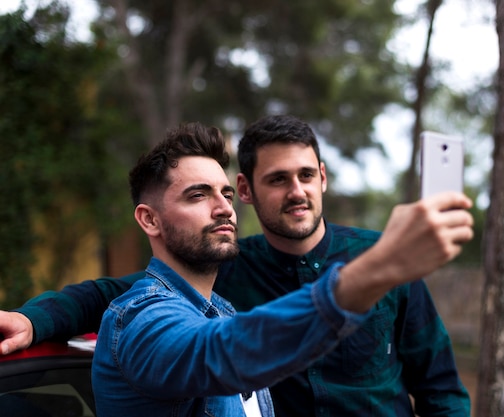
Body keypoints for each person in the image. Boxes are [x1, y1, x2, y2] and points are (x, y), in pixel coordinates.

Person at [0, 115, 474, 416]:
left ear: (323, 179)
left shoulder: (219, 304)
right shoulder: (150, 316)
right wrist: (32, 318)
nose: (297, 191)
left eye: (307, 175)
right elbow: (220, 350)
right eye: (198, 194)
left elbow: (440, 386)